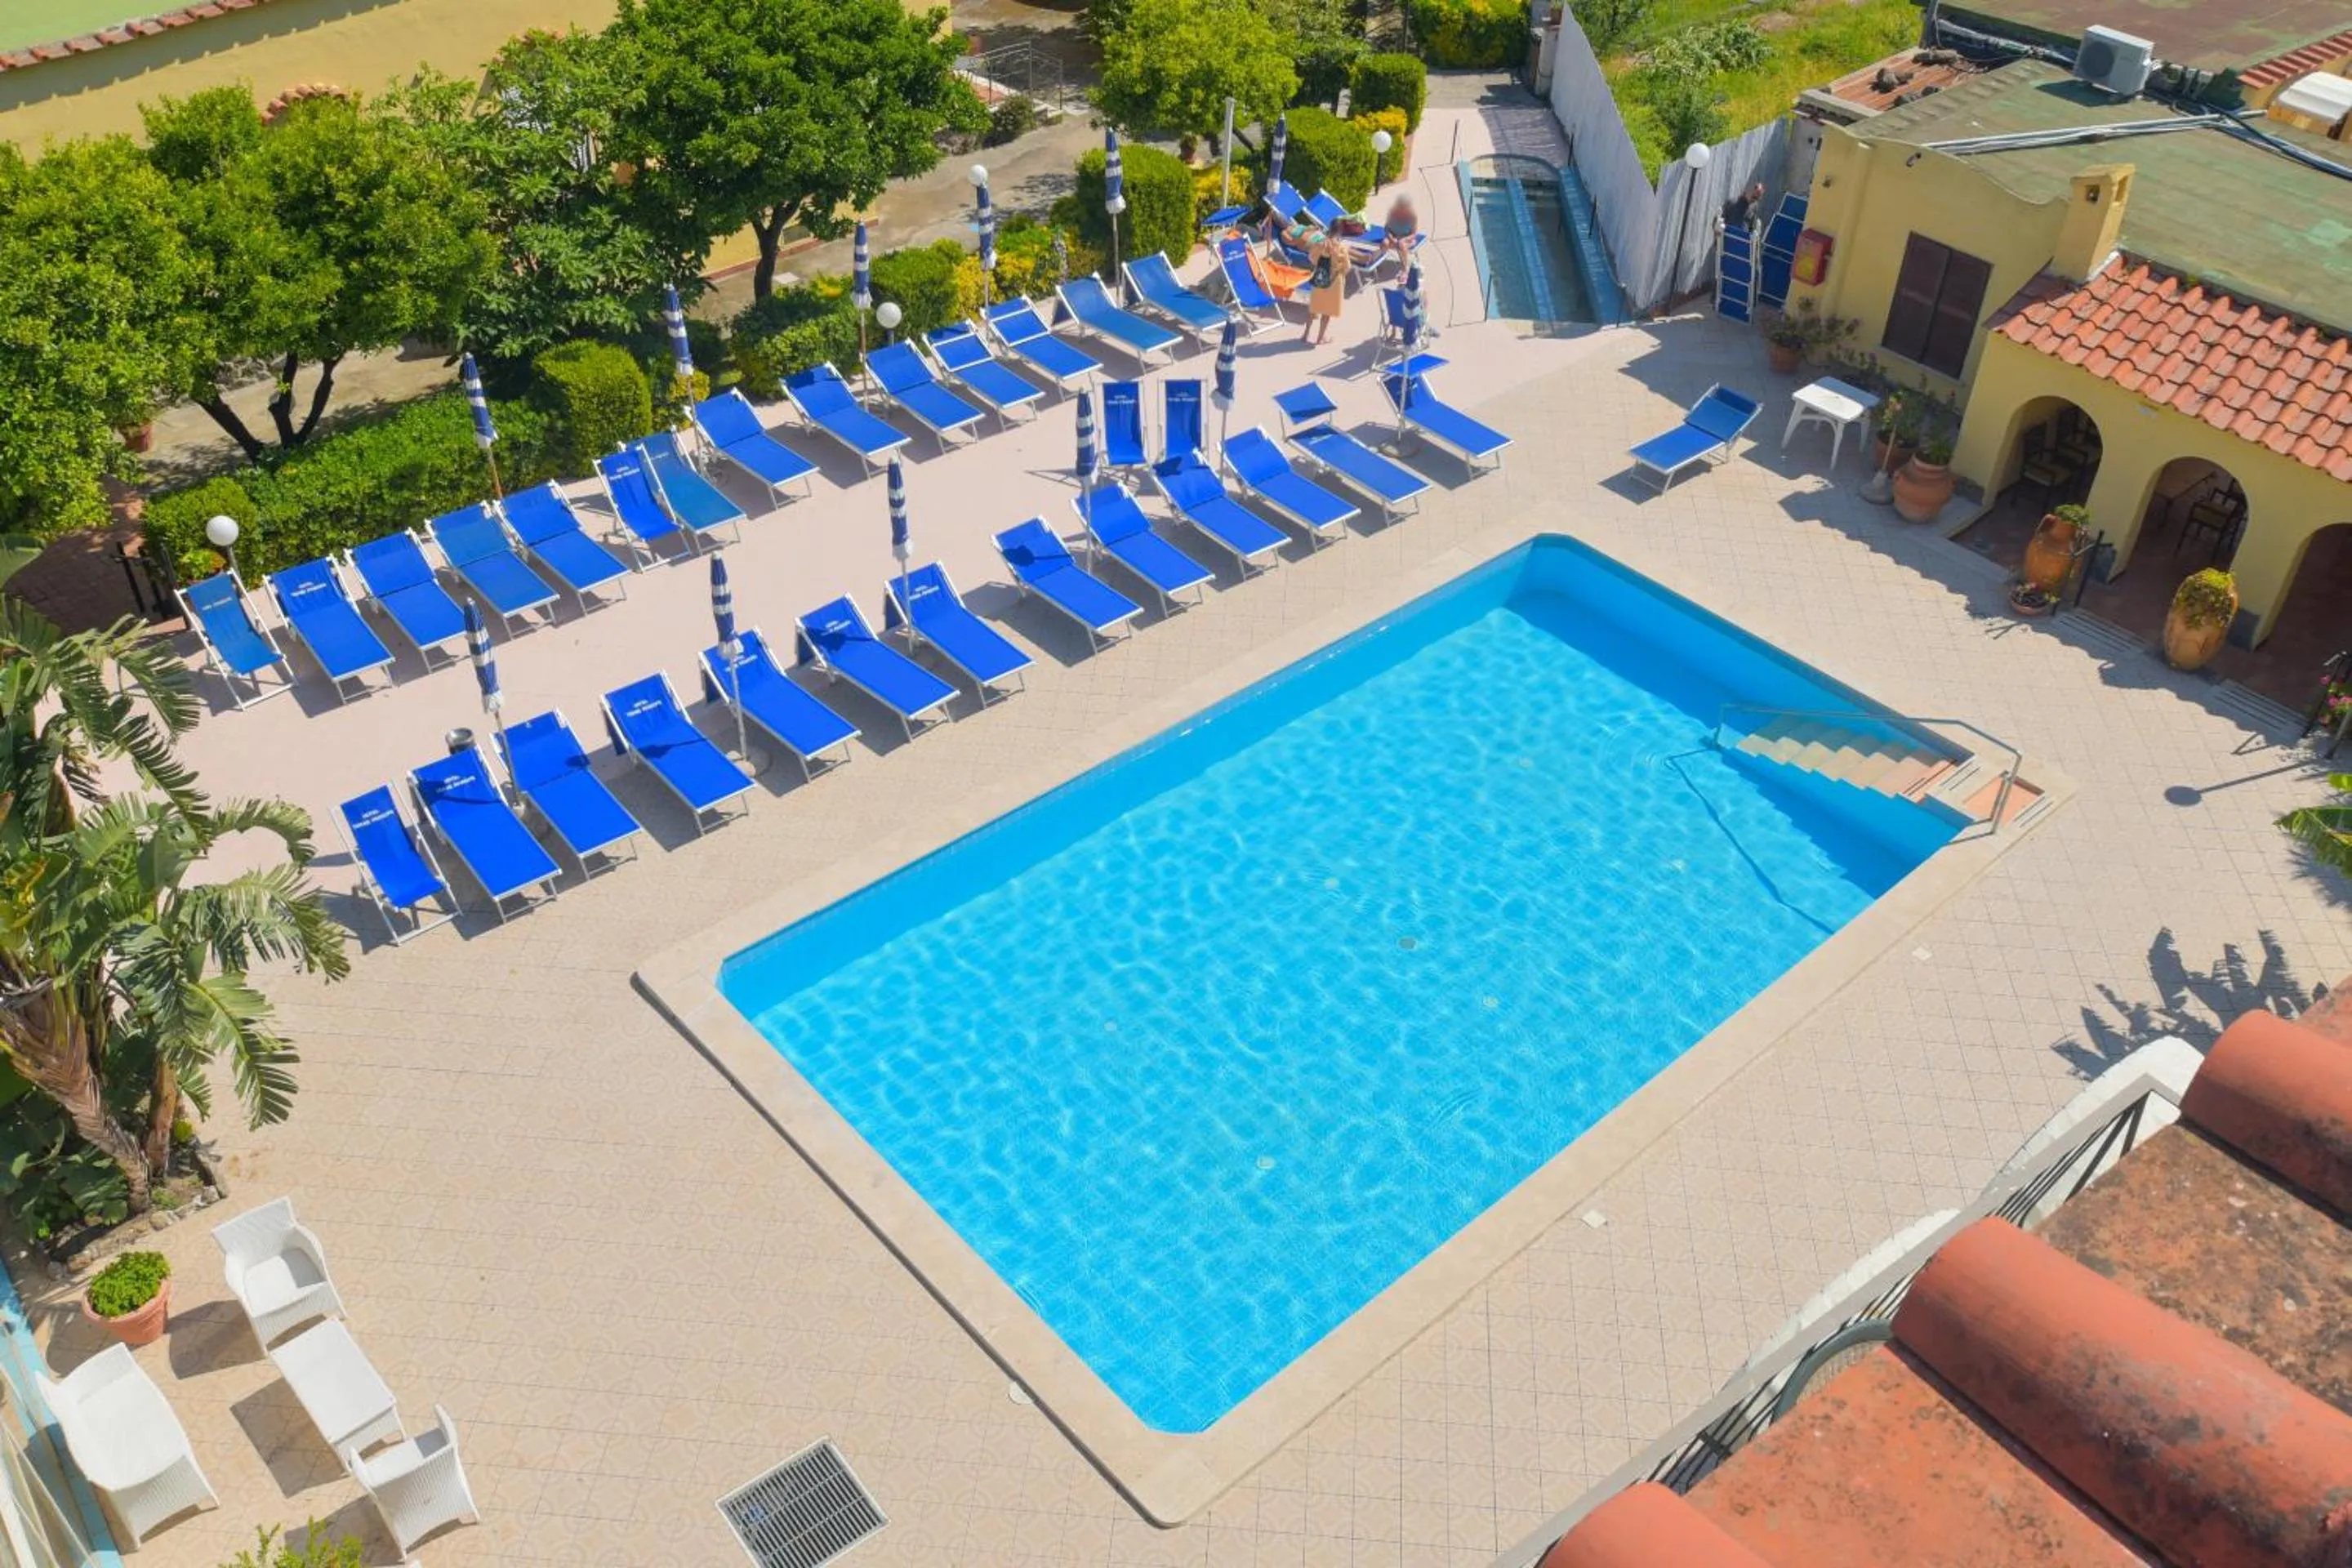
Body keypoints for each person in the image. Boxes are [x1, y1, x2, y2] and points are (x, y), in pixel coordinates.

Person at [1303, 229, 1351, 347]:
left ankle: (1305, 334)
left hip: (1320, 277)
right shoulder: (1342, 248)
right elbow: (1347, 267)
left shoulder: (1320, 245)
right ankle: (1320, 337)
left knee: (1313, 308)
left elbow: (1311, 258)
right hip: (1335, 281)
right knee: (1327, 312)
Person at [1382, 191, 1419, 265]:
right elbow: (1386, 228)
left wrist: (1404, 239)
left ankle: (1405, 269)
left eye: (1404, 207)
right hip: (1394, 237)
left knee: (1401, 245)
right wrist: (1391, 238)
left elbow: (1414, 234)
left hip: (1407, 239)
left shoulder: (1413, 216)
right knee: (1384, 243)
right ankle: (1381, 263)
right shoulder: (1393, 212)